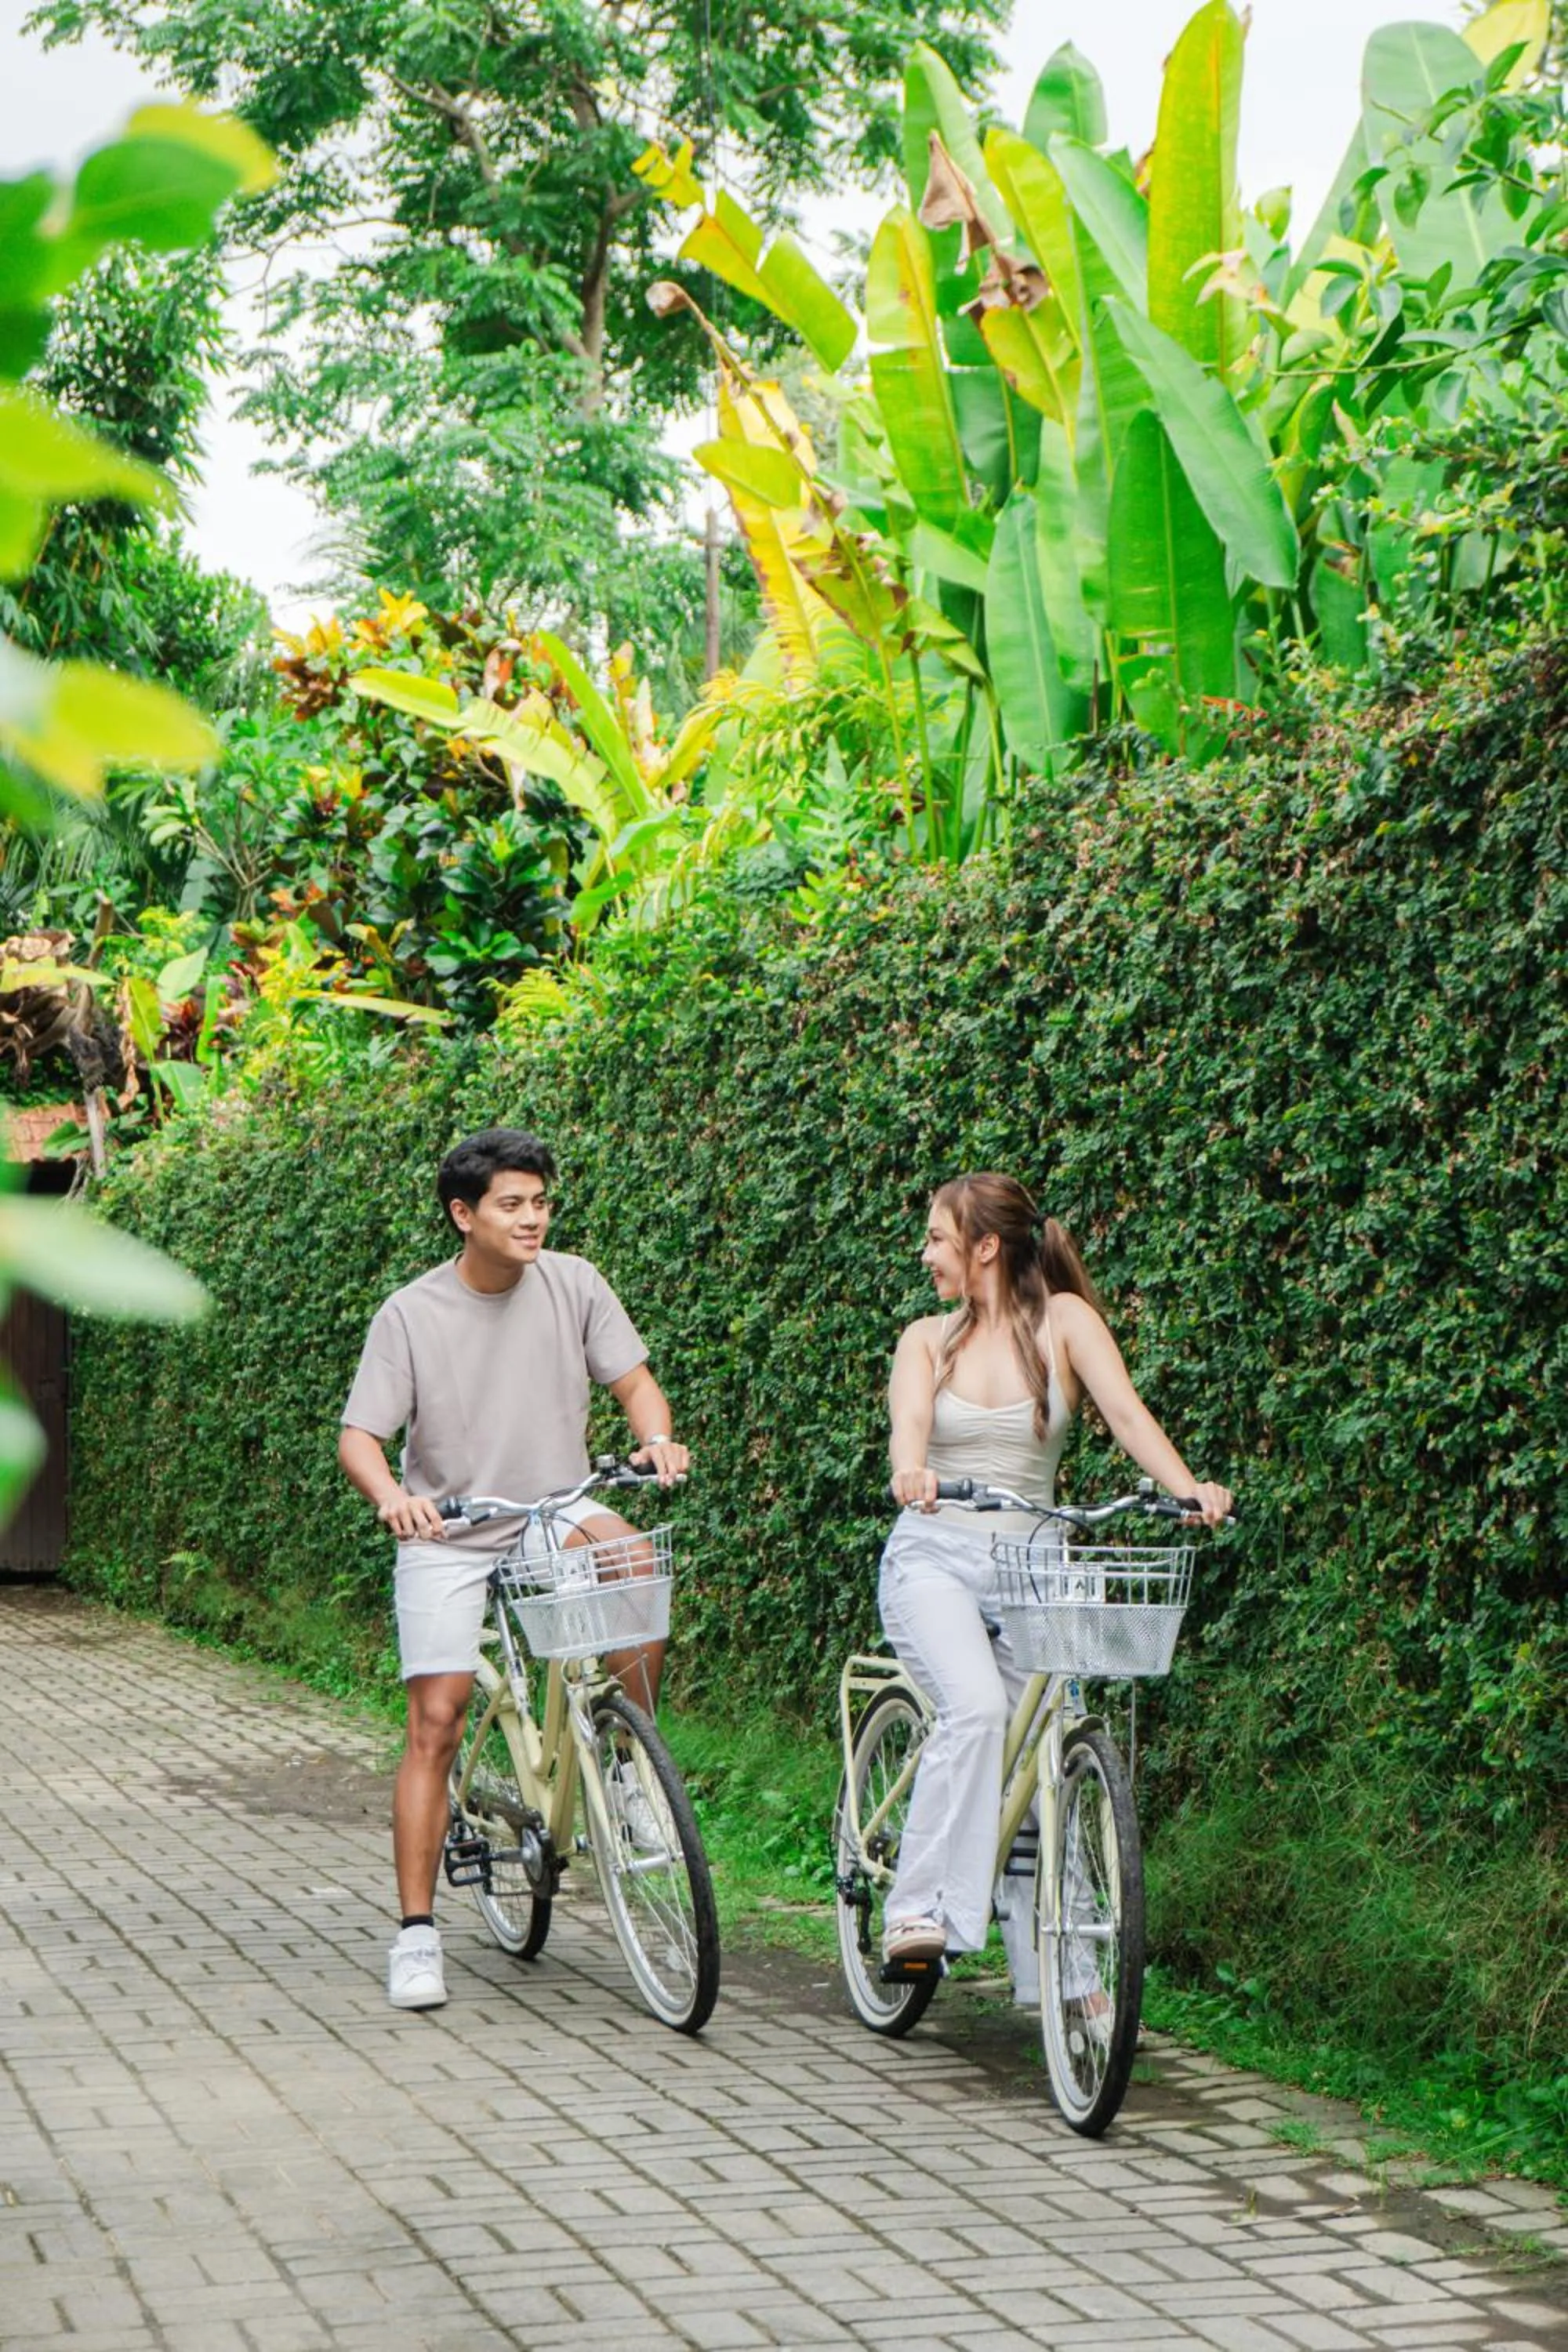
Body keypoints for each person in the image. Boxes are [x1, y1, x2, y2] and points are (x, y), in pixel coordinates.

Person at [339, 1126, 688, 2013]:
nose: (532, 1219)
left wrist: (655, 1438)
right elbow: (360, 1438)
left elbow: (635, 1385)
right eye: (512, 1205)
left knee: (631, 1555)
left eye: (540, 1203)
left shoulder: (575, 1284)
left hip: (549, 1512)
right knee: (437, 1721)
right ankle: (417, 1936)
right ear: (465, 1216)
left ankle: (627, 1765)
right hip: (450, 1530)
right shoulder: (410, 1314)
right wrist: (393, 1499)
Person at [879, 1171, 1232, 1988]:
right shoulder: (924, 1340)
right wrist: (910, 1471)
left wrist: (1188, 1489)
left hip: (1033, 1563)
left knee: (1046, 1753)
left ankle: (1069, 1983)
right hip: (934, 1556)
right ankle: (915, 1909)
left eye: (937, 1238)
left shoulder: (1065, 1323)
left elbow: (1127, 1414)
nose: (925, 1254)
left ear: (985, 1247)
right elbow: (910, 1424)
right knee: (976, 1708)